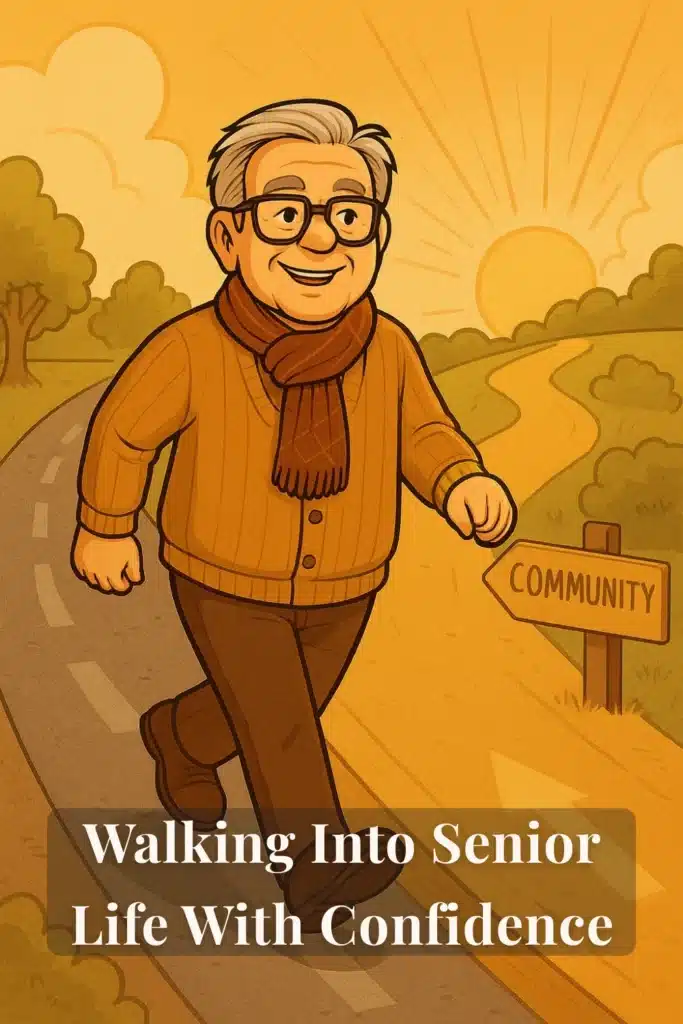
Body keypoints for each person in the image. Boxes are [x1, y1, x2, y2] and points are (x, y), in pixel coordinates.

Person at [71, 98, 517, 931]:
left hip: (348, 578)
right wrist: (105, 523)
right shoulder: (191, 348)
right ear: (228, 236)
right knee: (279, 723)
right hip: (221, 573)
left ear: (377, 235)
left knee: (275, 709)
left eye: (348, 216)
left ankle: (179, 735)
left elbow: (421, 432)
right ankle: (315, 866)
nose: (320, 240)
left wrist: (459, 480)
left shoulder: (387, 348)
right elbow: (125, 431)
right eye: (286, 213)